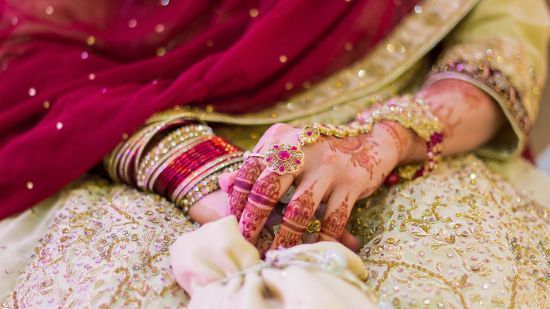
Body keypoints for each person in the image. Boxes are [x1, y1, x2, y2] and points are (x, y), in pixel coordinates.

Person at [0, 0, 549, 307]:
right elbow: (35, 56)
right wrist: (190, 162)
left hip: (407, 154)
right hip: (153, 143)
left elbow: (493, 71)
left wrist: (370, 147)